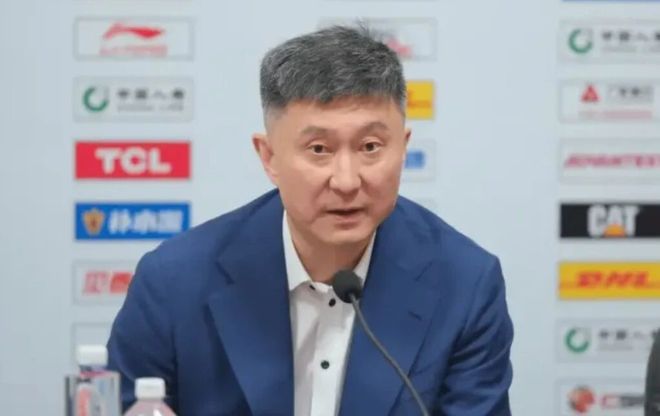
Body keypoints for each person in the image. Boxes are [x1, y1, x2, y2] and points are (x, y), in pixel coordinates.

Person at [107, 25, 514, 415]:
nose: (347, 181)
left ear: (403, 148)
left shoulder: (465, 284)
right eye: (319, 149)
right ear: (269, 157)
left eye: (370, 146)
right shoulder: (174, 282)